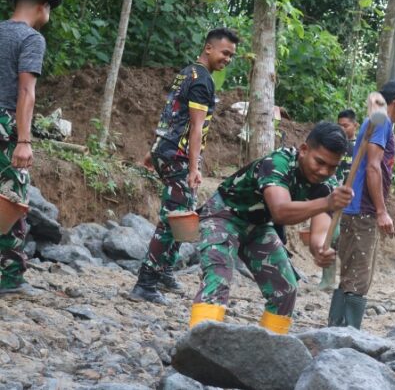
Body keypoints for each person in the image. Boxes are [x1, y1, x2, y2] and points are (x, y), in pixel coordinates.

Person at [189, 122, 353, 334]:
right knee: (218, 277)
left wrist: (320, 250)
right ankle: (199, 345)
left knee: (286, 288)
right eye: (319, 162)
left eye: (332, 167)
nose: (324, 171)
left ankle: (270, 349)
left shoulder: (326, 186)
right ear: (304, 150)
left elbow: (319, 232)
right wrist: (327, 202)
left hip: (258, 226)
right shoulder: (277, 163)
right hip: (224, 215)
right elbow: (281, 212)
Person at [129, 28, 240, 304]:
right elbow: (195, 128)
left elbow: (171, 116)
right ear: (209, 48)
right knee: (172, 219)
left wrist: (152, 150)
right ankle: (146, 282)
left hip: (165, 150)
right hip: (177, 156)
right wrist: (193, 167)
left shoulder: (187, 73)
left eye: (232, 55)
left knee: (182, 214)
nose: (228, 59)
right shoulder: (202, 81)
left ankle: (164, 271)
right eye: (225, 53)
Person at [327, 79, 395, 329]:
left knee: (349, 275)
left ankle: (335, 329)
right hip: (363, 210)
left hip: (354, 207)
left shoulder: (376, 122)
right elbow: (373, 166)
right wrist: (381, 211)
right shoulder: (381, 123)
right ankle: (347, 336)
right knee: (359, 278)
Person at [0, 0, 62, 295]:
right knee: (12, 203)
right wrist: (23, 141)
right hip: (7, 126)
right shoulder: (31, 38)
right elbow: (26, 91)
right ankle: (10, 280)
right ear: (42, 7)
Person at [318, 109, 359, 291]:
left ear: (355, 125)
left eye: (346, 126)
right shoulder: (336, 146)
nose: (342, 129)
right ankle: (327, 281)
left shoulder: (360, 147)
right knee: (330, 237)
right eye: (339, 125)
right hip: (332, 197)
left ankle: (348, 282)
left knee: (347, 242)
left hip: (352, 202)